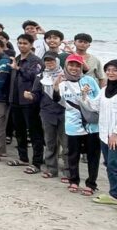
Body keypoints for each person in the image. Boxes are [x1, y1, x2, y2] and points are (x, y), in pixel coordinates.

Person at [82, 60, 117, 213]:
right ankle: (114, 195)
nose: (110, 73)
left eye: (115, 70)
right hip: (104, 134)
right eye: (108, 70)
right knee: (109, 164)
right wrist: (85, 95)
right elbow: (95, 106)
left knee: (115, 165)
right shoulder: (105, 89)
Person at [54, 54, 100, 196]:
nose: (74, 68)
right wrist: (55, 87)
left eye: (77, 65)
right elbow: (57, 101)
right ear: (66, 66)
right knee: (73, 155)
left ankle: (91, 183)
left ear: (81, 67)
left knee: (93, 156)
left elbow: (99, 99)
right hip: (73, 125)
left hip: (92, 126)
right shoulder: (62, 83)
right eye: (71, 65)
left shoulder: (90, 80)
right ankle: (74, 180)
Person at [27, 51, 69, 181]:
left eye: (52, 60)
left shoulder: (66, 76)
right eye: (46, 61)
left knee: (66, 144)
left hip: (64, 113)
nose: (49, 63)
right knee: (50, 142)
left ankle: (68, 172)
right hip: (47, 113)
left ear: (57, 61)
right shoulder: (40, 77)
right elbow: (36, 94)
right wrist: (31, 96)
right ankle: (52, 169)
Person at [7, 34, 44, 173]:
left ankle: (37, 163)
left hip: (29, 101)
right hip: (15, 100)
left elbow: (36, 76)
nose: (22, 45)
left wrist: (19, 69)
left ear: (31, 45)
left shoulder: (36, 60)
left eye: (25, 43)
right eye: (20, 43)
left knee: (34, 132)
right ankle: (23, 158)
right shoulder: (16, 59)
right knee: (19, 131)